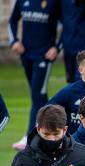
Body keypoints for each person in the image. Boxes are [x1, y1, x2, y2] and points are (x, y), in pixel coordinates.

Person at [8, 0, 61, 150]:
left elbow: (67, 25)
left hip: (44, 57)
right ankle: (51, 130)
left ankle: (29, 137)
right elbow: (12, 20)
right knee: (39, 96)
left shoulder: (54, 3)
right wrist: (14, 41)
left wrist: (57, 48)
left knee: (38, 94)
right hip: (26, 55)